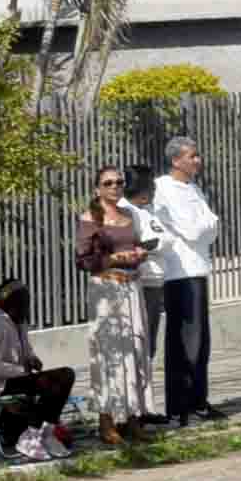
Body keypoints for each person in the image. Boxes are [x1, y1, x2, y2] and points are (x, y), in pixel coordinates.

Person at [75, 167, 157, 436]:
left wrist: (139, 253)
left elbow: (134, 244)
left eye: (119, 182)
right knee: (109, 353)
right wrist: (113, 259)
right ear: (97, 188)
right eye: (108, 183)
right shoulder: (90, 218)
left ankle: (132, 416)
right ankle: (107, 420)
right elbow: (83, 261)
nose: (115, 187)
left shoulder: (129, 215)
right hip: (106, 289)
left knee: (135, 349)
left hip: (132, 287)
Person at [146, 136, 221, 423]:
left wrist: (206, 225)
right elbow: (192, 230)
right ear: (176, 160)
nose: (198, 160)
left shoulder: (194, 188)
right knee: (185, 342)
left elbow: (212, 227)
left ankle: (197, 400)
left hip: (198, 268)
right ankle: (181, 405)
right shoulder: (163, 189)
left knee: (200, 342)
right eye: (192, 156)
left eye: (198, 155)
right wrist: (206, 225)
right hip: (180, 272)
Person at [0, 280, 76, 457]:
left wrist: (32, 359)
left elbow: (26, 350)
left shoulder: (20, 323)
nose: (26, 307)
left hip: (17, 378)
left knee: (64, 376)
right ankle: (33, 435)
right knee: (59, 378)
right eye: (22, 303)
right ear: (10, 304)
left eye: (26, 303)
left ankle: (45, 433)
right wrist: (18, 370)